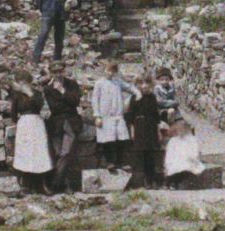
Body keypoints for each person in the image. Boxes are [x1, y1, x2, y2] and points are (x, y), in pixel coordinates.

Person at [42, 60, 84, 193]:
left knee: (65, 153)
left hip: (71, 122)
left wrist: (62, 91)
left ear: (64, 71)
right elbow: (55, 107)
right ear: (51, 73)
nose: (58, 74)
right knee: (58, 154)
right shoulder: (47, 88)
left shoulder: (72, 84)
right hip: (56, 124)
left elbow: (76, 101)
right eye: (55, 72)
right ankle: (65, 184)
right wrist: (67, 100)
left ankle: (54, 183)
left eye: (60, 71)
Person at [8, 78, 53, 194]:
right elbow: (13, 113)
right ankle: (26, 185)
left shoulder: (37, 94)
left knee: (40, 151)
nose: (23, 85)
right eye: (21, 83)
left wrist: (30, 93)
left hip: (37, 123)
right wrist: (21, 121)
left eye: (25, 82)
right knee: (25, 152)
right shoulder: (17, 95)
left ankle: (41, 185)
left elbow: (41, 106)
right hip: (24, 124)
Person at [91, 59, 135, 176]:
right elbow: (95, 100)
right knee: (107, 140)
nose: (110, 73)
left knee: (121, 139)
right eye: (108, 71)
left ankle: (120, 162)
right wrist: (97, 116)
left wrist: (138, 93)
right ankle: (109, 161)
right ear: (104, 70)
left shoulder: (118, 82)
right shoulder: (99, 83)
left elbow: (130, 87)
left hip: (118, 115)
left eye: (112, 71)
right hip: (105, 116)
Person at [125, 77, 163, 188]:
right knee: (141, 154)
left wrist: (158, 131)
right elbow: (131, 117)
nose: (144, 86)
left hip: (150, 127)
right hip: (139, 127)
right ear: (137, 85)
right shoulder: (134, 98)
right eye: (141, 83)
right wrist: (132, 131)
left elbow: (156, 116)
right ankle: (144, 181)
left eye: (147, 83)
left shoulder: (152, 98)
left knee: (151, 154)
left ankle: (152, 180)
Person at [32, 0, 70, 65]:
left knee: (59, 38)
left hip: (60, 13)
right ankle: (36, 59)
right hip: (48, 12)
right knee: (43, 34)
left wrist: (66, 9)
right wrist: (42, 9)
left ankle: (57, 60)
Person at [162, 119, 206, 188]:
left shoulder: (192, 140)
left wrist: (191, 159)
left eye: (182, 128)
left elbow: (195, 153)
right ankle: (172, 182)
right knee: (176, 168)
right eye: (179, 128)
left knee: (187, 167)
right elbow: (169, 156)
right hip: (175, 163)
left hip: (189, 161)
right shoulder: (173, 141)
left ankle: (176, 182)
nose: (180, 130)